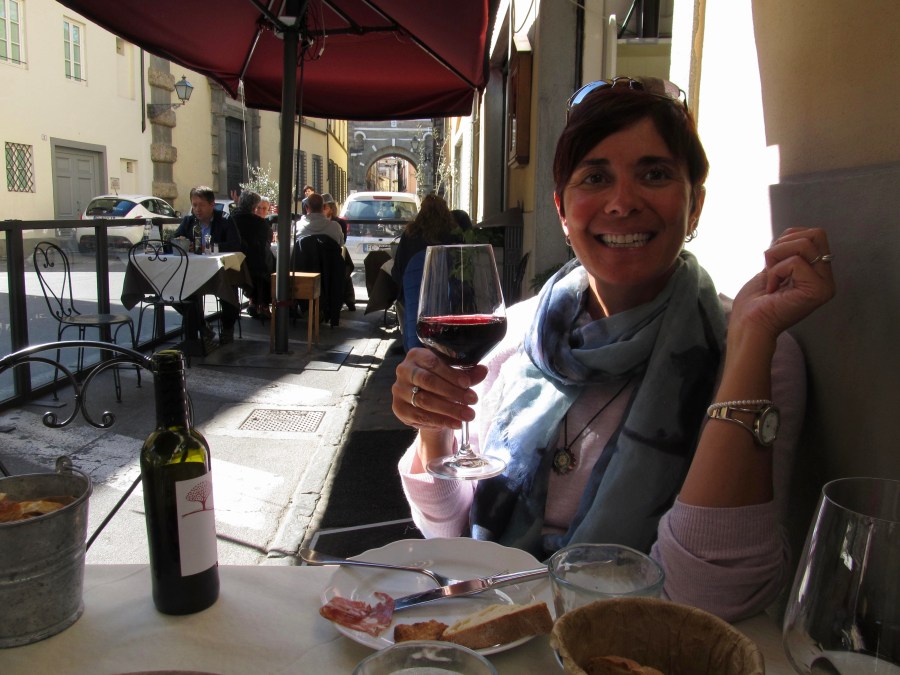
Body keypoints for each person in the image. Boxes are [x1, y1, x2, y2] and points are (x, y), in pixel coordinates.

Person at [390, 77, 836, 622]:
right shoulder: (515, 335)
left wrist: (751, 343)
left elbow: (710, 597)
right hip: (492, 628)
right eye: (595, 177)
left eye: (655, 174)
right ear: (562, 209)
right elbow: (446, 534)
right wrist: (435, 429)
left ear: (695, 204)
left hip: (632, 643)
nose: (623, 203)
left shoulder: (750, 349)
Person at [391, 194, 462, 351]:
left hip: (413, 289)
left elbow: (398, 268)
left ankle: (412, 349)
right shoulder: (453, 233)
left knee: (410, 317)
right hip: (445, 289)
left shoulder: (410, 234)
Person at [173, 186, 243, 344]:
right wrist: (183, 244)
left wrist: (208, 247)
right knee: (174, 290)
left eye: (201, 205)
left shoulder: (225, 219)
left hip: (219, 270)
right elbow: (175, 240)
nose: (197, 209)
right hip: (192, 272)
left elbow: (235, 244)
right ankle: (201, 326)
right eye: (194, 205)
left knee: (229, 289)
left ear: (212, 204)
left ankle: (227, 329)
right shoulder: (189, 221)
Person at [230, 190, 274, 320]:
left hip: (233, 263)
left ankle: (253, 301)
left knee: (261, 261)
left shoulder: (231, 219)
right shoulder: (261, 223)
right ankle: (263, 305)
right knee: (270, 263)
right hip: (255, 265)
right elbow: (266, 243)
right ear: (254, 207)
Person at [323, 193, 356, 312]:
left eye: (325, 207)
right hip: (323, 256)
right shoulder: (319, 222)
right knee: (344, 266)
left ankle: (348, 299)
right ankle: (347, 299)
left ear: (331, 208)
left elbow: (342, 242)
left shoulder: (339, 223)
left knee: (344, 266)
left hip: (333, 254)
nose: (322, 209)